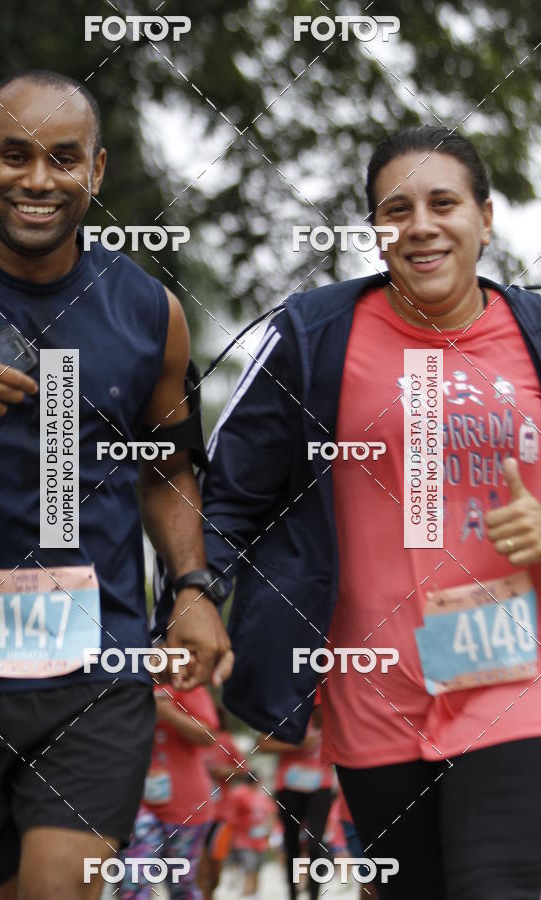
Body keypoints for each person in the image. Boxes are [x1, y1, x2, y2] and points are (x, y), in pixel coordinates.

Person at [196, 125, 541, 898]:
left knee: (500, 881)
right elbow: (229, 492)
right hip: (373, 692)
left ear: (485, 219)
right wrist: (195, 594)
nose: (421, 223)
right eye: (396, 208)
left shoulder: (533, 333)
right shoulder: (312, 336)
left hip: (519, 679)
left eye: (443, 202)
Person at [0, 69, 232, 900]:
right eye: (15, 155)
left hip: (93, 674)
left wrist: (192, 588)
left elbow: (169, 469)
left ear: (96, 173)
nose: (38, 180)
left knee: (60, 889)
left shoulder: (150, 312)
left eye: (63, 159)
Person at [118, 685, 219, 899]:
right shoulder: (122, 681)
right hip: (136, 803)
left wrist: (169, 713)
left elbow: (209, 736)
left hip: (188, 807)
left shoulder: (186, 684)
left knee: (182, 885)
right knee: (133, 878)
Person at [257, 712, 333, 900]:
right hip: (289, 786)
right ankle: (292, 893)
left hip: (321, 786)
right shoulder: (285, 708)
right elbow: (262, 744)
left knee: (316, 844)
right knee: (292, 845)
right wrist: (297, 743)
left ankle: (314, 895)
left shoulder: (330, 706)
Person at [198, 707, 245, 899]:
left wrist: (226, 771)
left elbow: (243, 770)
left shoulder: (225, 741)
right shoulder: (190, 739)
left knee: (215, 868)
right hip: (196, 815)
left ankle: (211, 891)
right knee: (199, 867)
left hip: (222, 815)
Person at [227, 771, 277, 899]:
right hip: (243, 840)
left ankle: (253, 896)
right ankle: (246, 895)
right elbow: (231, 815)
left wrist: (268, 835)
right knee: (249, 870)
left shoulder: (262, 797)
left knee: (256, 872)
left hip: (260, 841)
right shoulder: (239, 793)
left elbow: (271, 815)